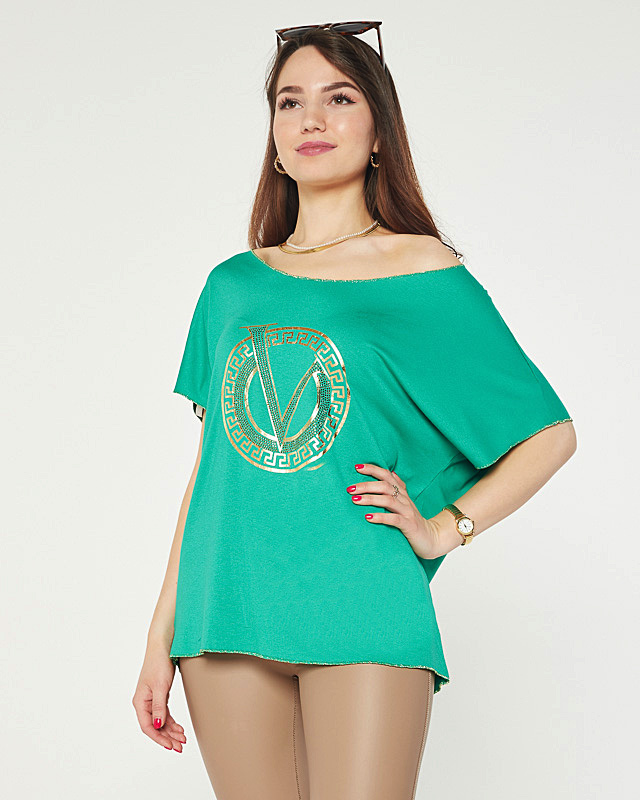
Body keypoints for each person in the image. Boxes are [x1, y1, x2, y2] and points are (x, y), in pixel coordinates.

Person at [132, 22, 577, 800]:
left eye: (339, 98)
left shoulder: (423, 271)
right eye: (289, 101)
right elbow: (213, 471)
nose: (311, 118)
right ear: (274, 139)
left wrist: (445, 528)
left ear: (378, 132)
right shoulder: (231, 286)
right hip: (224, 606)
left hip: (364, 599)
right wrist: (160, 633)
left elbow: (549, 435)